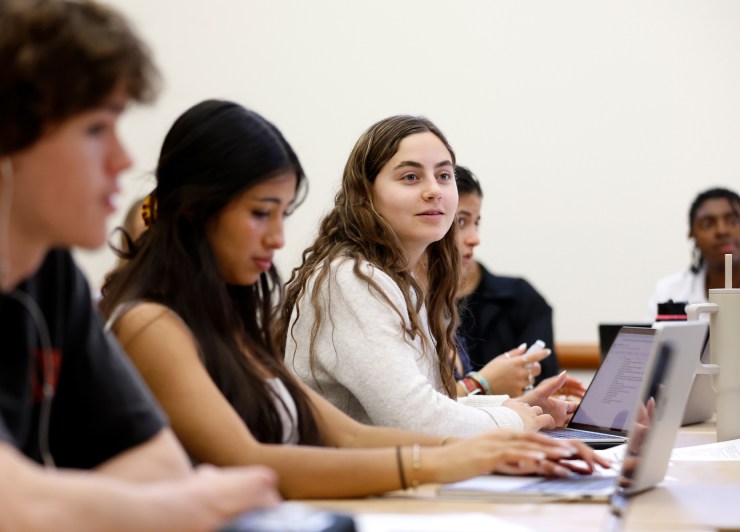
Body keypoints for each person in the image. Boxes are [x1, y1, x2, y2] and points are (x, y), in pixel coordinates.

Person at [100, 100, 607, 500]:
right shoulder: (150, 322)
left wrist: (496, 446)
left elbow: (344, 433)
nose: (279, 238)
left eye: (284, 214)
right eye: (262, 213)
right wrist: (455, 453)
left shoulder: (228, 318)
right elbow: (252, 460)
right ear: (194, 210)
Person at [0, 0, 280, 529]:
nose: (123, 160)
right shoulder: (144, 316)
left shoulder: (50, 273)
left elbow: (158, 464)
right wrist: (180, 507)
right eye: (95, 129)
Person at [280, 115, 580, 438]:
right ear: (366, 193)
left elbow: (433, 405)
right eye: (411, 177)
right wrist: (514, 421)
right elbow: (415, 421)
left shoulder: (398, 281)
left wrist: (518, 408)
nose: (434, 190)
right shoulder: (351, 279)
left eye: (444, 175)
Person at [645, 187, 740, 384]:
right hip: (685, 411)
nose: (722, 230)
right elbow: (655, 369)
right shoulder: (668, 289)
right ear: (692, 235)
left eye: (733, 221)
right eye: (708, 224)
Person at [452, 165, 576, 398]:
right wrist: (484, 384)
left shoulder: (520, 298)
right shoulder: (415, 305)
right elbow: (425, 409)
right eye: (460, 222)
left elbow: (543, 384)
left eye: (476, 222)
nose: (475, 238)